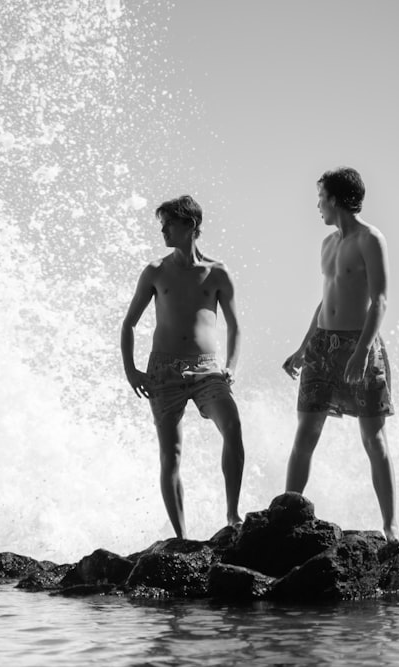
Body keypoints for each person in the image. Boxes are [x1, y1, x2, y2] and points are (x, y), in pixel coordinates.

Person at [281, 167, 399, 543]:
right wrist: (304, 346)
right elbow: (327, 297)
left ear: (335, 199)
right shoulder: (327, 244)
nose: (317, 205)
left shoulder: (371, 239)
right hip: (323, 343)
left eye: (320, 197)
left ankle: (390, 525)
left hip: (360, 344)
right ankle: (287, 515)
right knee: (306, 431)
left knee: (373, 437)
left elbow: (380, 299)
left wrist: (363, 350)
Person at [121, 195, 244, 539]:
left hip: (208, 370)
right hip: (163, 372)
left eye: (169, 224)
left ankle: (233, 514)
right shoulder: (155, 272)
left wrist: (231, 367)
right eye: (162, 224)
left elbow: (235, 327)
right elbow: (129, 324)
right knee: (171, 454)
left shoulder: (217, 273)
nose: (163, 230)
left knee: (232, 426)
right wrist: (131, 370)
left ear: (190, 225)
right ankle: (181, 536)